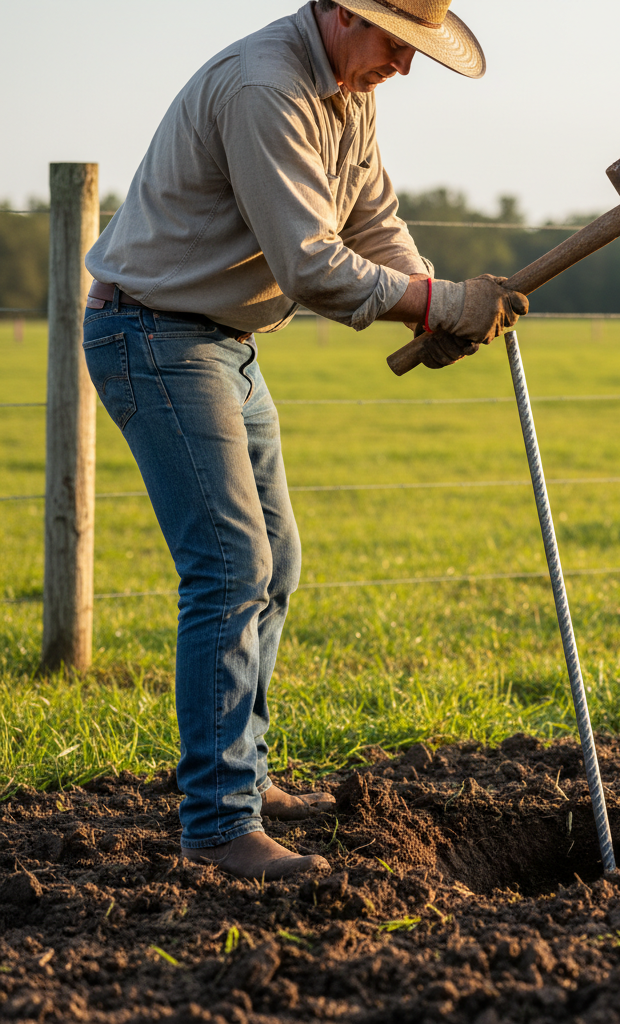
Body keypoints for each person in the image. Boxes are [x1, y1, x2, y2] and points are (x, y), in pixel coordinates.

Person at [82, 0, 527, 881]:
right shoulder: (265, 88)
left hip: (222, 343)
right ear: (335, 11)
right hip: (154, 335)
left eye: (415, 52)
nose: (402, 67)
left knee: (275, 560)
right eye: (395, 45)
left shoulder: (348, 89)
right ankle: (217, 824)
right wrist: (440, 306)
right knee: (230, 564)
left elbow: (369, 219)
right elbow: (309, 262)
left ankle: (242, 775)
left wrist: (430, 295)